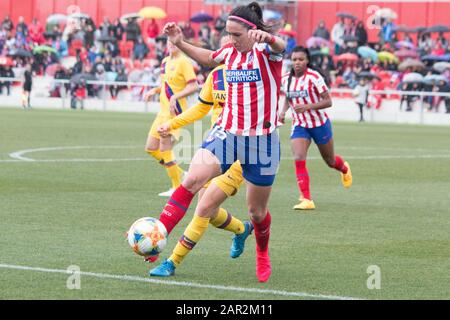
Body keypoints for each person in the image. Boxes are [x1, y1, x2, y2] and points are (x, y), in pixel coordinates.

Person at [149, 2, 285, 283]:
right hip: (227, 134)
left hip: (261, 141)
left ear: (251, 31)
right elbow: (210, 57)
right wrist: (180, 42)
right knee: (191, 181)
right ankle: (157, 234)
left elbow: (280, 46)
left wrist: (269, 37)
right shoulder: (229, 53)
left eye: (236, 35)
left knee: (257, 213)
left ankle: (261, 252)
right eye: (229, 34)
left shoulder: (266, 53)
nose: (232, 40)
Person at [148, 35, 253, 275]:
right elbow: (202, 107)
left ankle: (171, 262)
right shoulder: (216, 76)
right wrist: (173, 123)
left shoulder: (251, 74)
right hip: (216, 143)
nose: (230, 46)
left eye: (235, 41)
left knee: (204, 207)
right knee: (210, 210)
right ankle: (241, 229)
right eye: (226, 43)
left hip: (242, 149)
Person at [278, 46, 352, 211]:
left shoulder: (314, 77)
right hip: (300, 125)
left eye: (301, 59)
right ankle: (307, 199)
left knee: (330, 161)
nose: (297, 63)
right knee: (298, 157)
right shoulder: (286, 79)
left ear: (307, 61)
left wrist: (307, 107)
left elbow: (328, 101)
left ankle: (344, 168)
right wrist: (283, 112)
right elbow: (288, 98)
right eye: (295, 59)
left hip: (319, 124)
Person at [143, 41, 198, 197]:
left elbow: (193, 86)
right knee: (151, 148)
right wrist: (154, 90)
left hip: (175, 113)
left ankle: (176, 187)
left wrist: (176, 97)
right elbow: (166, 86)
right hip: (162, 113)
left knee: (165, 149)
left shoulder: (184, 62)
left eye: (175, 42)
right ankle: (182, 174)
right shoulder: (165, 61)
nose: (172, 44)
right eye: (169, 42)